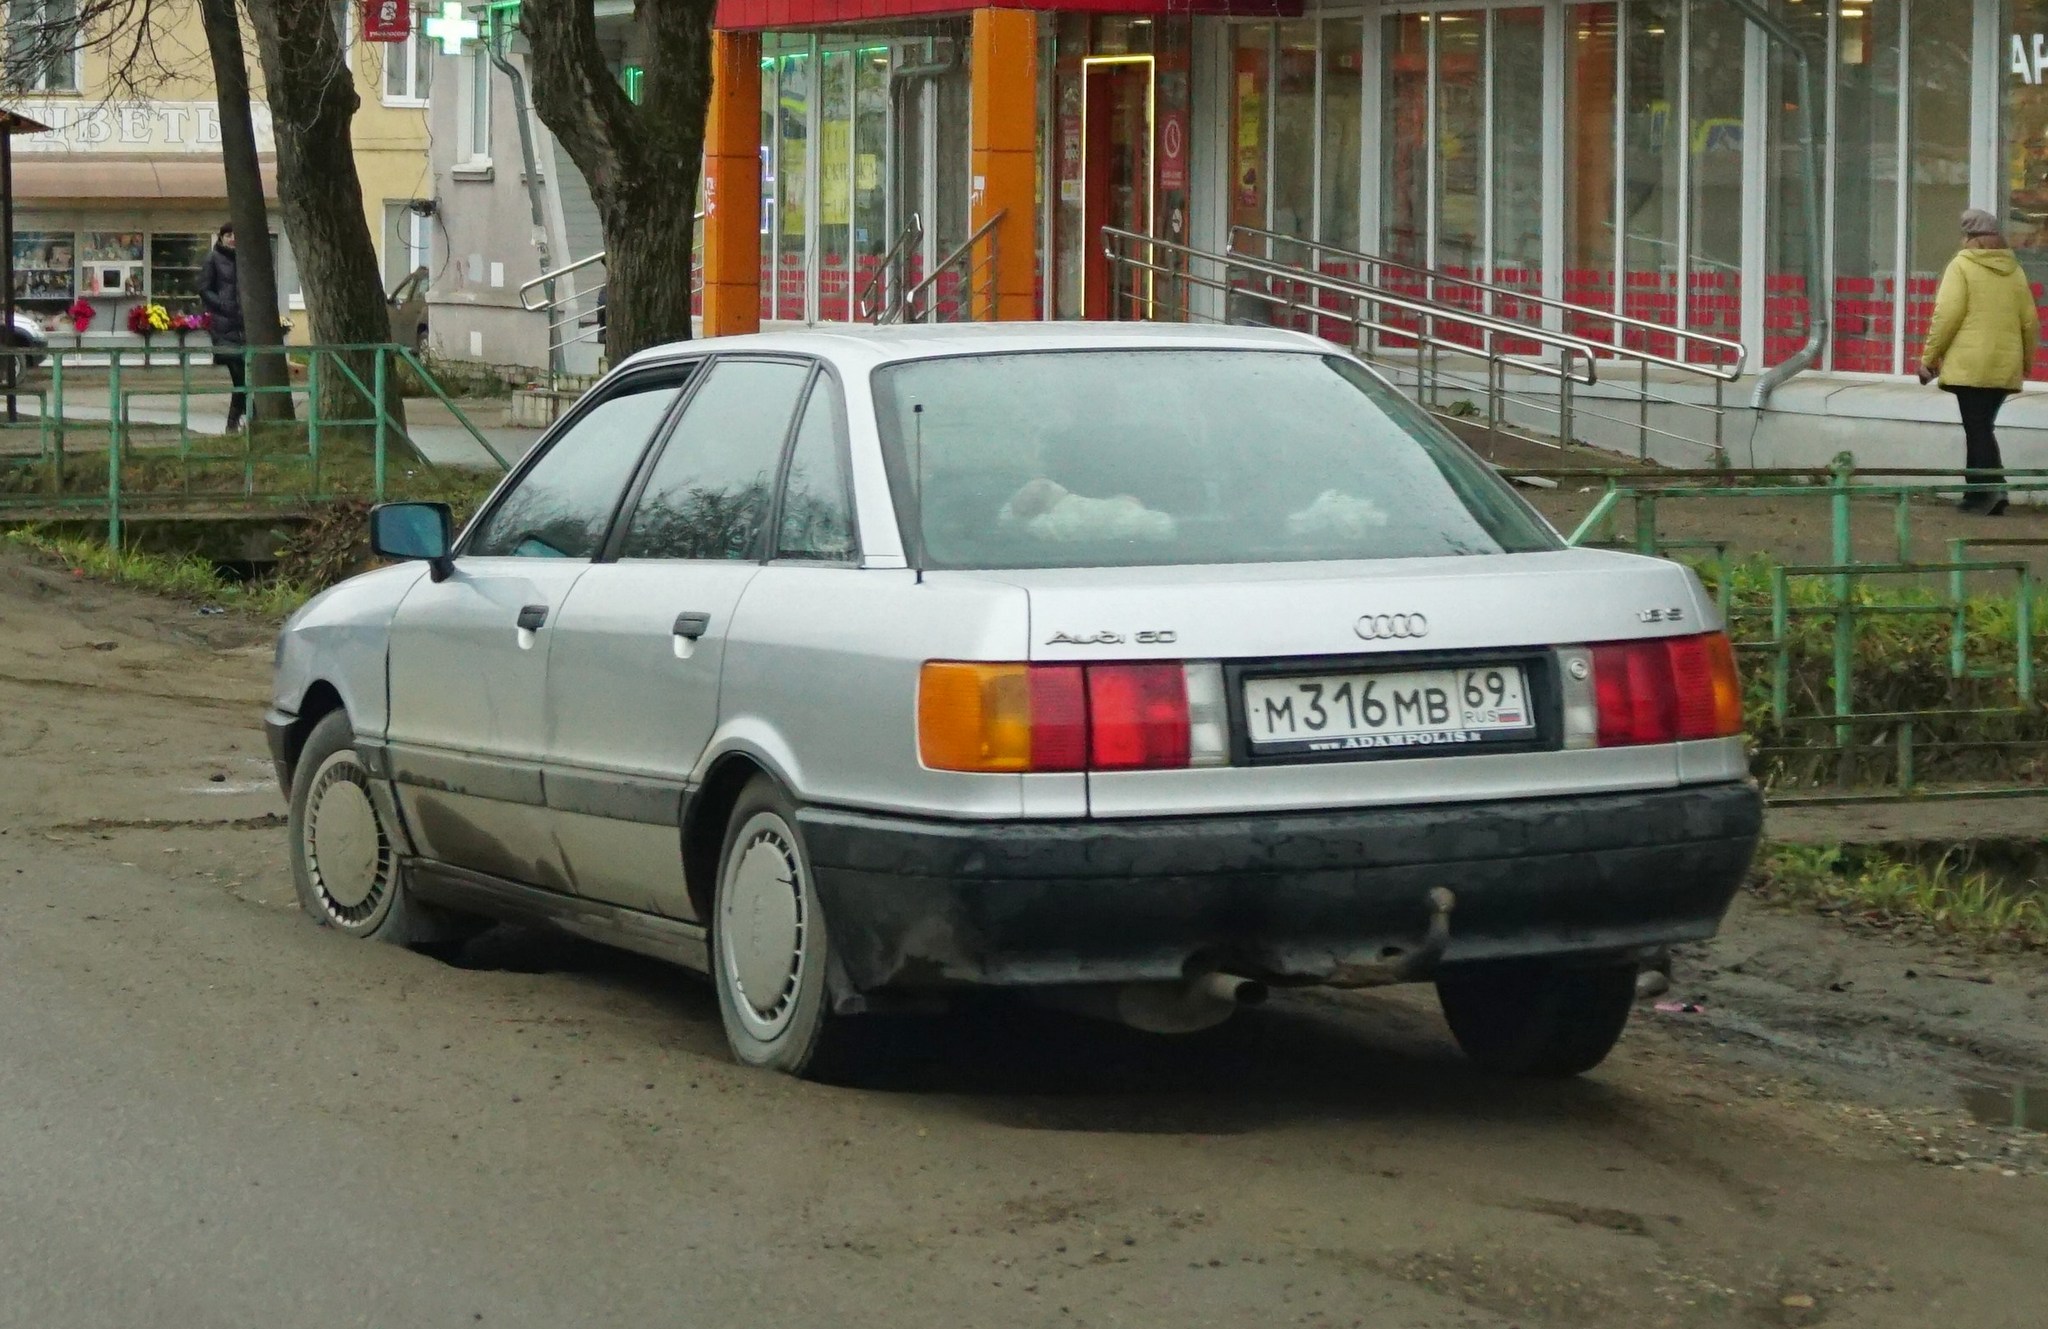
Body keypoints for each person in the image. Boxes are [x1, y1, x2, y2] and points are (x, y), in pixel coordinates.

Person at [1919, 208, 2041, 515]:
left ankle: (1988, 493)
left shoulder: (1961, 266)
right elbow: (2030, 321)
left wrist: (1929, 359)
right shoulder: (2014, 269)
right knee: (1982, 427)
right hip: (2003, 365)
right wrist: (2024, 362)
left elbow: (1946, 316)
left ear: (1969, 238)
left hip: (1970, 365)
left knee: (1977, 429)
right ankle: (1981, 493)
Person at [196, 223, 246, 432]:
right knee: (240, 376)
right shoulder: (213, 258)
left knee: (246, 378)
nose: (232, 238)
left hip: (245, 326)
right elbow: (204, 289)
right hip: (224, 326)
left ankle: (239, 422)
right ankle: (234, 423)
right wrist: (223, 305)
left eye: (235, 235)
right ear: (221, 238)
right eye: (228, 235)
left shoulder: (245, 259)